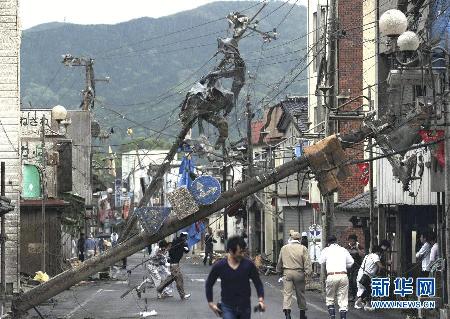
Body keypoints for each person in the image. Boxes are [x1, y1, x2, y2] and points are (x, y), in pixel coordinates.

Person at [206, 236, 265, 319]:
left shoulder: (249, 265)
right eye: (240, 252)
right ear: (230, 251)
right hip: (227, 307)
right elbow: (209, 283)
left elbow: (258, 283)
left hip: (245, 307)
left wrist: (261, 300)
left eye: (243, 251)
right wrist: (210, 302)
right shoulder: (220, 266)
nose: (242, 254)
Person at [277, 231, 312, 319]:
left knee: (287, 294)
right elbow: (307, 262)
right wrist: (308, 273)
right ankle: (302, 315)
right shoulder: (303, 248)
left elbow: (280, 261)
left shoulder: (284, 248)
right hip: (299, 273)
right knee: (300, 294)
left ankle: (288, 314)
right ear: (299, 239)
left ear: (291, 238)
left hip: (287, 273)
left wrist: (279, 271)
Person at [319, 235, 354, 319]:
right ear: (336, 241)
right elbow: (351, 262)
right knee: (343, 300)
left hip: (331, 276)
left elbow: (321, 261)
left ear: (328, 243)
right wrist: (344, 266)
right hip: (343, 275)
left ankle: (332, 317)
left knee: (330, 298)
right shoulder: (343, 250)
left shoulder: (326, 250)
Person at [157, 232, 191, 300]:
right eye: (186, 237)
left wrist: (185, 247)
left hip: (174, 264)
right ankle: (183, 295)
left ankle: (159, 289)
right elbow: (186, 250)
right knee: (179, 279)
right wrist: (185, 246)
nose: (186, 239)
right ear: (184, 237)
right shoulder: (180, 243)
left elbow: (185, 250)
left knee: (170, 279)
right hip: (174, 265)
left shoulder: (177, 242)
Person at [355, 245, 385, 311]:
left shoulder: (368, 255)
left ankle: (361, 303)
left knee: (367, 290)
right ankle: (363, 304)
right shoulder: (375, 256)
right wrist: (385, 268)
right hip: (366, 276)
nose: (380, 254)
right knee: (369, 290)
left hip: (361, 275)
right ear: (378, 252)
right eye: (380, 252)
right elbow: (380, 266)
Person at [347, 234, 364, 302]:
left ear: (355, 241)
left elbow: (362, 255)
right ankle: (351, 296)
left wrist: (357, 248)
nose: (351, 242)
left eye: (353, 241)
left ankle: (357, 295)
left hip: (357, 267)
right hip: (349, 267)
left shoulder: (359, 247)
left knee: (355, 281)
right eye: (350, 241)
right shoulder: (347, 247)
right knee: (349, 281)